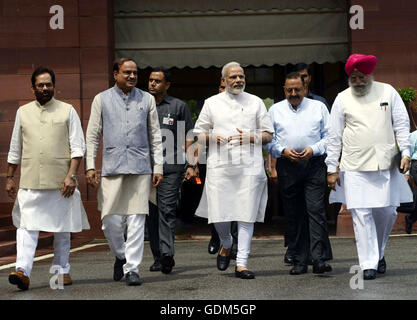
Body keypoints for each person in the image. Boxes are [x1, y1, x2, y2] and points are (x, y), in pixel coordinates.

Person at [326, 54, 412, 280]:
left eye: (362, 76)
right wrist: (331, 168)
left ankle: (378, 253)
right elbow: (333, 136)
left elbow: (401, 125)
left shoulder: (388, 91)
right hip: (354, 166)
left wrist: (406, 152)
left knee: (388, 211)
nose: (358, 81)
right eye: (353, 77)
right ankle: (368, 264)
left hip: (385, 164)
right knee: (361, 214)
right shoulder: (341, 98)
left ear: (370, 75)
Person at [6, 66, 89, 291]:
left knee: (61, 228)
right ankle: (22, 271)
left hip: (61, 181)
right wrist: (10, 177)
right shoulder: (23, 112)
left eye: (48, 84)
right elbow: (15, 147)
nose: (45, 88)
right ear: (32, 87)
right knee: (26, 227)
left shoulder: (68, 110)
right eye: (40, 85)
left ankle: (62, 272)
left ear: (54, 86)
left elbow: (78, 147)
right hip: (30, 181)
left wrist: (72, 175)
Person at [85, 58, 163, 286]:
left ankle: (132, 269)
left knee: (137, 220)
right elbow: (92, 135)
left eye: (135, 73)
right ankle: (121, 255)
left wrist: (157, 166)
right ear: (115, 74)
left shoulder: (146, 99)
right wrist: (90, 166)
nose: (131, 76)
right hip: (112, 168)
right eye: (126, 72)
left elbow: (155, 136)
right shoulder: (101, 99)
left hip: (140, 168)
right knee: (110, 221)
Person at [193, 61, 274, 279]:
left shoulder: (256, 102)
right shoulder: (211, 103)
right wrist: (212, 137)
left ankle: (242, 263)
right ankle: (226, 242)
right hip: (220, 167)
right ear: (224, 80)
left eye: (241, 76)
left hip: (249, 166)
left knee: (246, 215)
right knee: (219, 214)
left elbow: (268, 134)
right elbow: (198, 134)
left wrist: (250, 137)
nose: (238, 80)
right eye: (233, 77)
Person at [264, 72, 333, 275]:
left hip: (313, 164)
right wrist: (282, 151)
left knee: (315, 210)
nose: (293, 93)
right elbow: (269, 141)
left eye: (297, 89)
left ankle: (318, 258)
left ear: (305, 88)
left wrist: (313, 149)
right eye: (289, 90)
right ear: (283, 90)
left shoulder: (318, 107)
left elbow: (330, 137)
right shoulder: (275, 110)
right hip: (288, 165)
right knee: (294, 214)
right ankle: (299, 260)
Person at [146, 67, 196, 274]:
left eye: (157, 81)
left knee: (166, 209)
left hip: (171, 167)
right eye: (150, 80)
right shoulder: (141, 105)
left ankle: (167, 255)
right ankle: (157, 256)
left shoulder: (178, 106)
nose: (152, 84)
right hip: (144, 168)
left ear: (167, 84)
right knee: (152, 213)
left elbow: (189, 136)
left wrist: (192, 164)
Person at [206, 78, 238, 258]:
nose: (223, 89)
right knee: (216, 204)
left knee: (236, 205)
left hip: (238, 163)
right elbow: (198, 133)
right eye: (221, 86)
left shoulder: (241, 106)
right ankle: (216, 238)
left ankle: (233, 244)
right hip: (215, 161)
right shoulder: (211, 106)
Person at [405, 130, 417, 233]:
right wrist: (407, 172)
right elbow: (409, 152)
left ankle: (411, 218)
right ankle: (411, 218)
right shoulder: (414, 135)